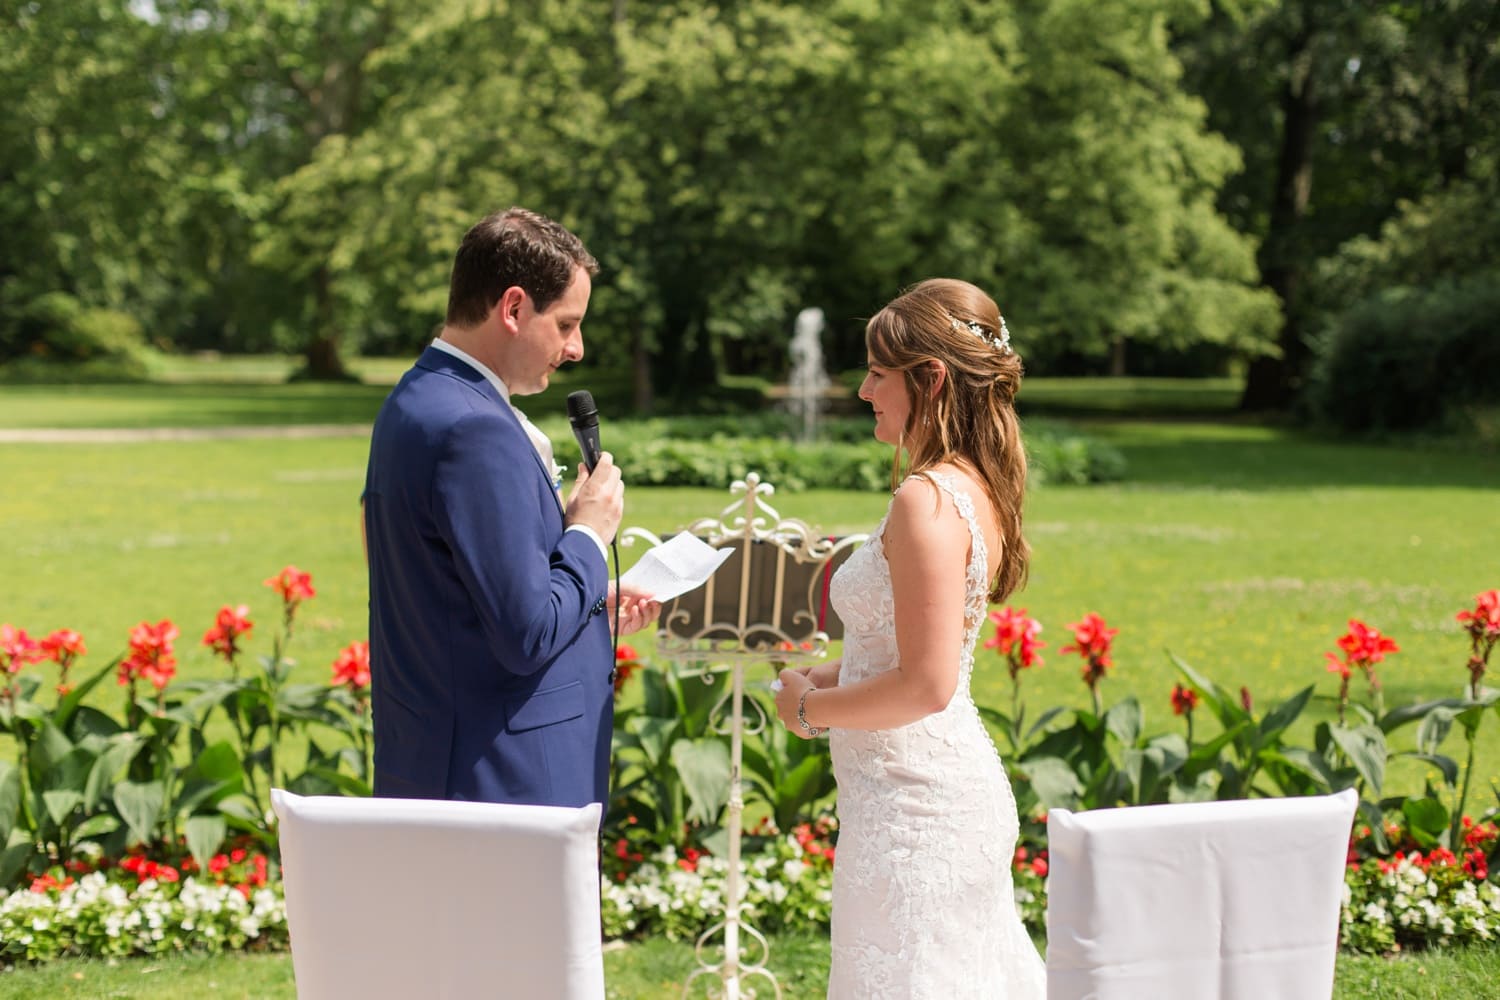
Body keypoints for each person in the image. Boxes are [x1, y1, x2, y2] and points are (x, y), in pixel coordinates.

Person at [774, 278, 1047, 998]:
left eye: (877, 373)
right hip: (912, 800)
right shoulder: (967, 485)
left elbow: (927, 685)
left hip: (917, 816)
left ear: (929, 379)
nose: (864, 391)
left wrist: (806, 712)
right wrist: (835, 674)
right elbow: (915, 650)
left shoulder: (925, 499)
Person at [363, 207, 659, 809]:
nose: (576, 348)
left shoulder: (415, 398)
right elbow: (525, 636)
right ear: (515, 308)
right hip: (502, 777)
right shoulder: (477, 428)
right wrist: (587, 534)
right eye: (568, 324)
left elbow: (456, 594)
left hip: (437, 757)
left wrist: (585, 606)